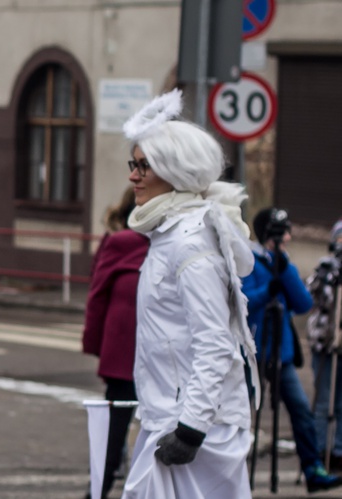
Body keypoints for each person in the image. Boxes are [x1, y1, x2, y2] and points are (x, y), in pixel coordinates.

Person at [119, 89, 259, 498]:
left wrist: (191, 430)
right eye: (134, 163)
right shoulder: (169, 233)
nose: (133, 176)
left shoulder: (190, 240)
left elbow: (215, 343)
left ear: (175, 171)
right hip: (169, 419)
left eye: (144, 166)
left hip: (197, 431)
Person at [243, 207, 342, 492]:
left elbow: (302, 303)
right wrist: (267, 291)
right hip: (253, 352)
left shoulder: (284, 264)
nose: (287, 237)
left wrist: (284, 271)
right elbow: (245, 303)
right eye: (282, 232)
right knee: (239, 409)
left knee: (300, 409)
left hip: (281, 354)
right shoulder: (249, 261)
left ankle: (312, 468)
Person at [82, 186, 148, 498]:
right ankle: (99, 490)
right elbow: (98, 293)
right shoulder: (121, 242)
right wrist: (97, 345)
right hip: (123, 351)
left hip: (159, 355)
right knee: (115, 430)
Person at [307, 220, 342, 472]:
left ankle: (339, 450)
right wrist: (329, 276)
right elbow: (313, 295)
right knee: (322, 401)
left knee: (340, 401)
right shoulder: (325, 268)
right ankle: (318, 450)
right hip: (324, 344)